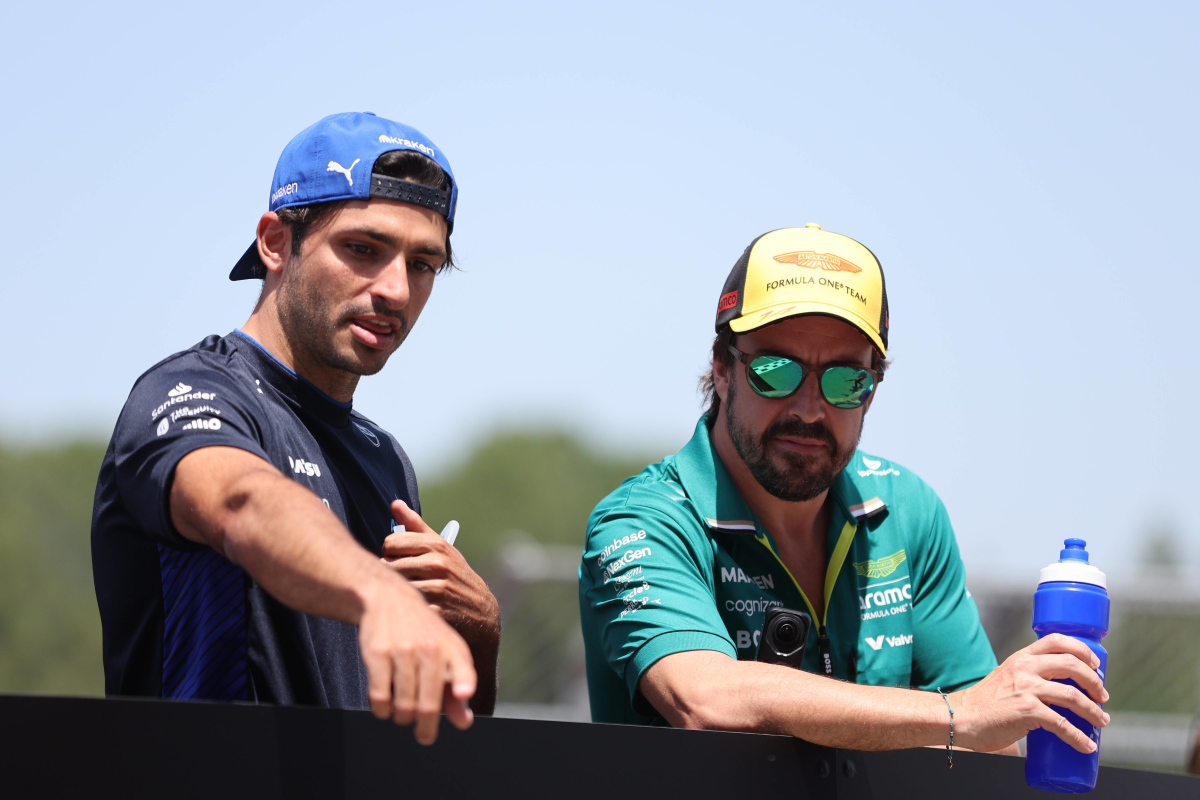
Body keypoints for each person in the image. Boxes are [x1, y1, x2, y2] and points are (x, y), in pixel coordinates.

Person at [578, 225, 1109, 756]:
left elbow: (989, 741)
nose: (809, 409)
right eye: (775, 372)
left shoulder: (907, 512)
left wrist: (989, 717)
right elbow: (707, 700)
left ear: (872, 393)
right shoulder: (641, 522)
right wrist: (956, 715)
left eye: (844, 381)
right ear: (722, 369)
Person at [91, 112, 500, 745]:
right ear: (276, 242)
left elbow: (433, 740)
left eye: (423, 264)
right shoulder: (188, 391)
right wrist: (376, 591)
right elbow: (241, 501)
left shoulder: (384, 459)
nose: (395, 288)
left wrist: (478, 634)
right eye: (363, 249)